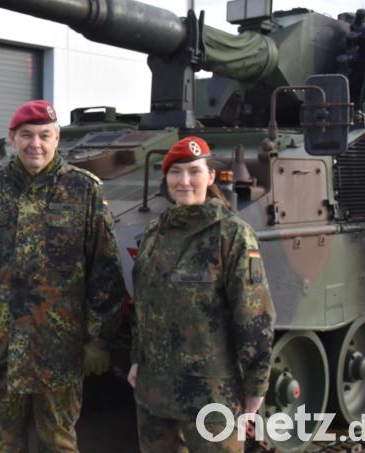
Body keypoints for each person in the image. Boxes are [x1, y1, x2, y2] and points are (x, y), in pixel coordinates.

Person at [0, 100, 125, 452]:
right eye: (26, 135)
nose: (36, 144)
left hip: (60, 349)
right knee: (4, 441)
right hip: (1, 346)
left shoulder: (84, 190)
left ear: (57, 138)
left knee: (58, 441)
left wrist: (99, 338)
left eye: (45, 135)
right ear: (13, 138)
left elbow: (105, 272)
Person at [127, 136, 276, 452]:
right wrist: (136, 359)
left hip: (212, 397)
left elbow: (254, 316)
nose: (184, 181)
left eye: (194, 171)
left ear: (210, 177)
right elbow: (144, 304)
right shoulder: (155, 233)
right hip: (155, 394)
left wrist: (256, 386)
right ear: (166, 179)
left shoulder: (231, 234)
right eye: (176, 173)